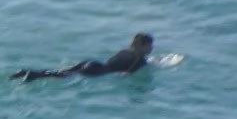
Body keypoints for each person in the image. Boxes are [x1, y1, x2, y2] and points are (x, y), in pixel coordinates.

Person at [12, 32, 154, 82]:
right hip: (97, 70)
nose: (151, 48)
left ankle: (29, 72)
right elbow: (126, 74)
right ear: (142, 46)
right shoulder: (139, 59)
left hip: (93, 63)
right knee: (64, 76)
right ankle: (33, 74)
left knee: (62, 72)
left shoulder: (125, 51)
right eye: (149, 46)